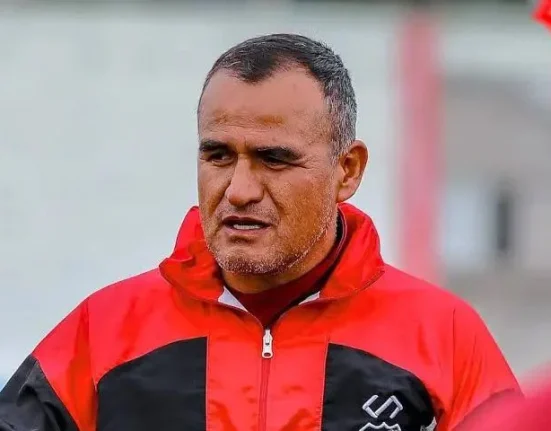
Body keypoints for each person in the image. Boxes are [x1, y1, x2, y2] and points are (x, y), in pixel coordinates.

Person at [0, 33, 521, 431]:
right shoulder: (104, 330)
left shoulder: (444, 335)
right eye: (218, 155)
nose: (239, 189)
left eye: (274, 159)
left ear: (347, 170)